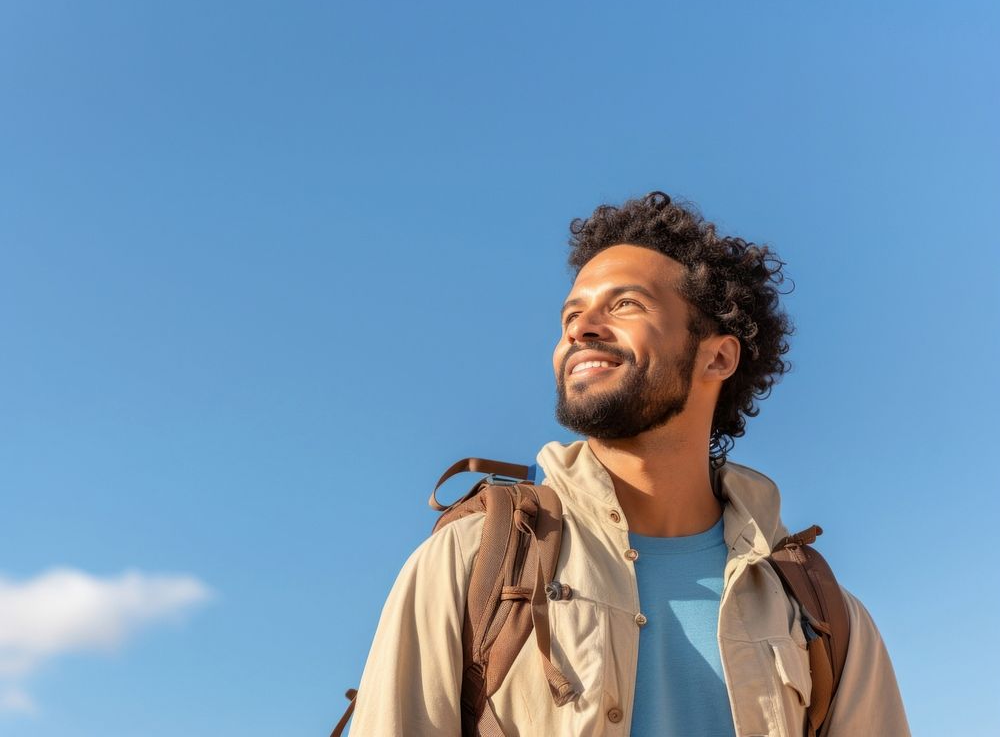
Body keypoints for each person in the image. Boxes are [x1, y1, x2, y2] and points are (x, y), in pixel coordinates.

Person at [348, 192, 909, 736]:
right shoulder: (473, 561)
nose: (580, 327)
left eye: (625, 304)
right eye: (572, 312)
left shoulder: (820, 615)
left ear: (718, 355)